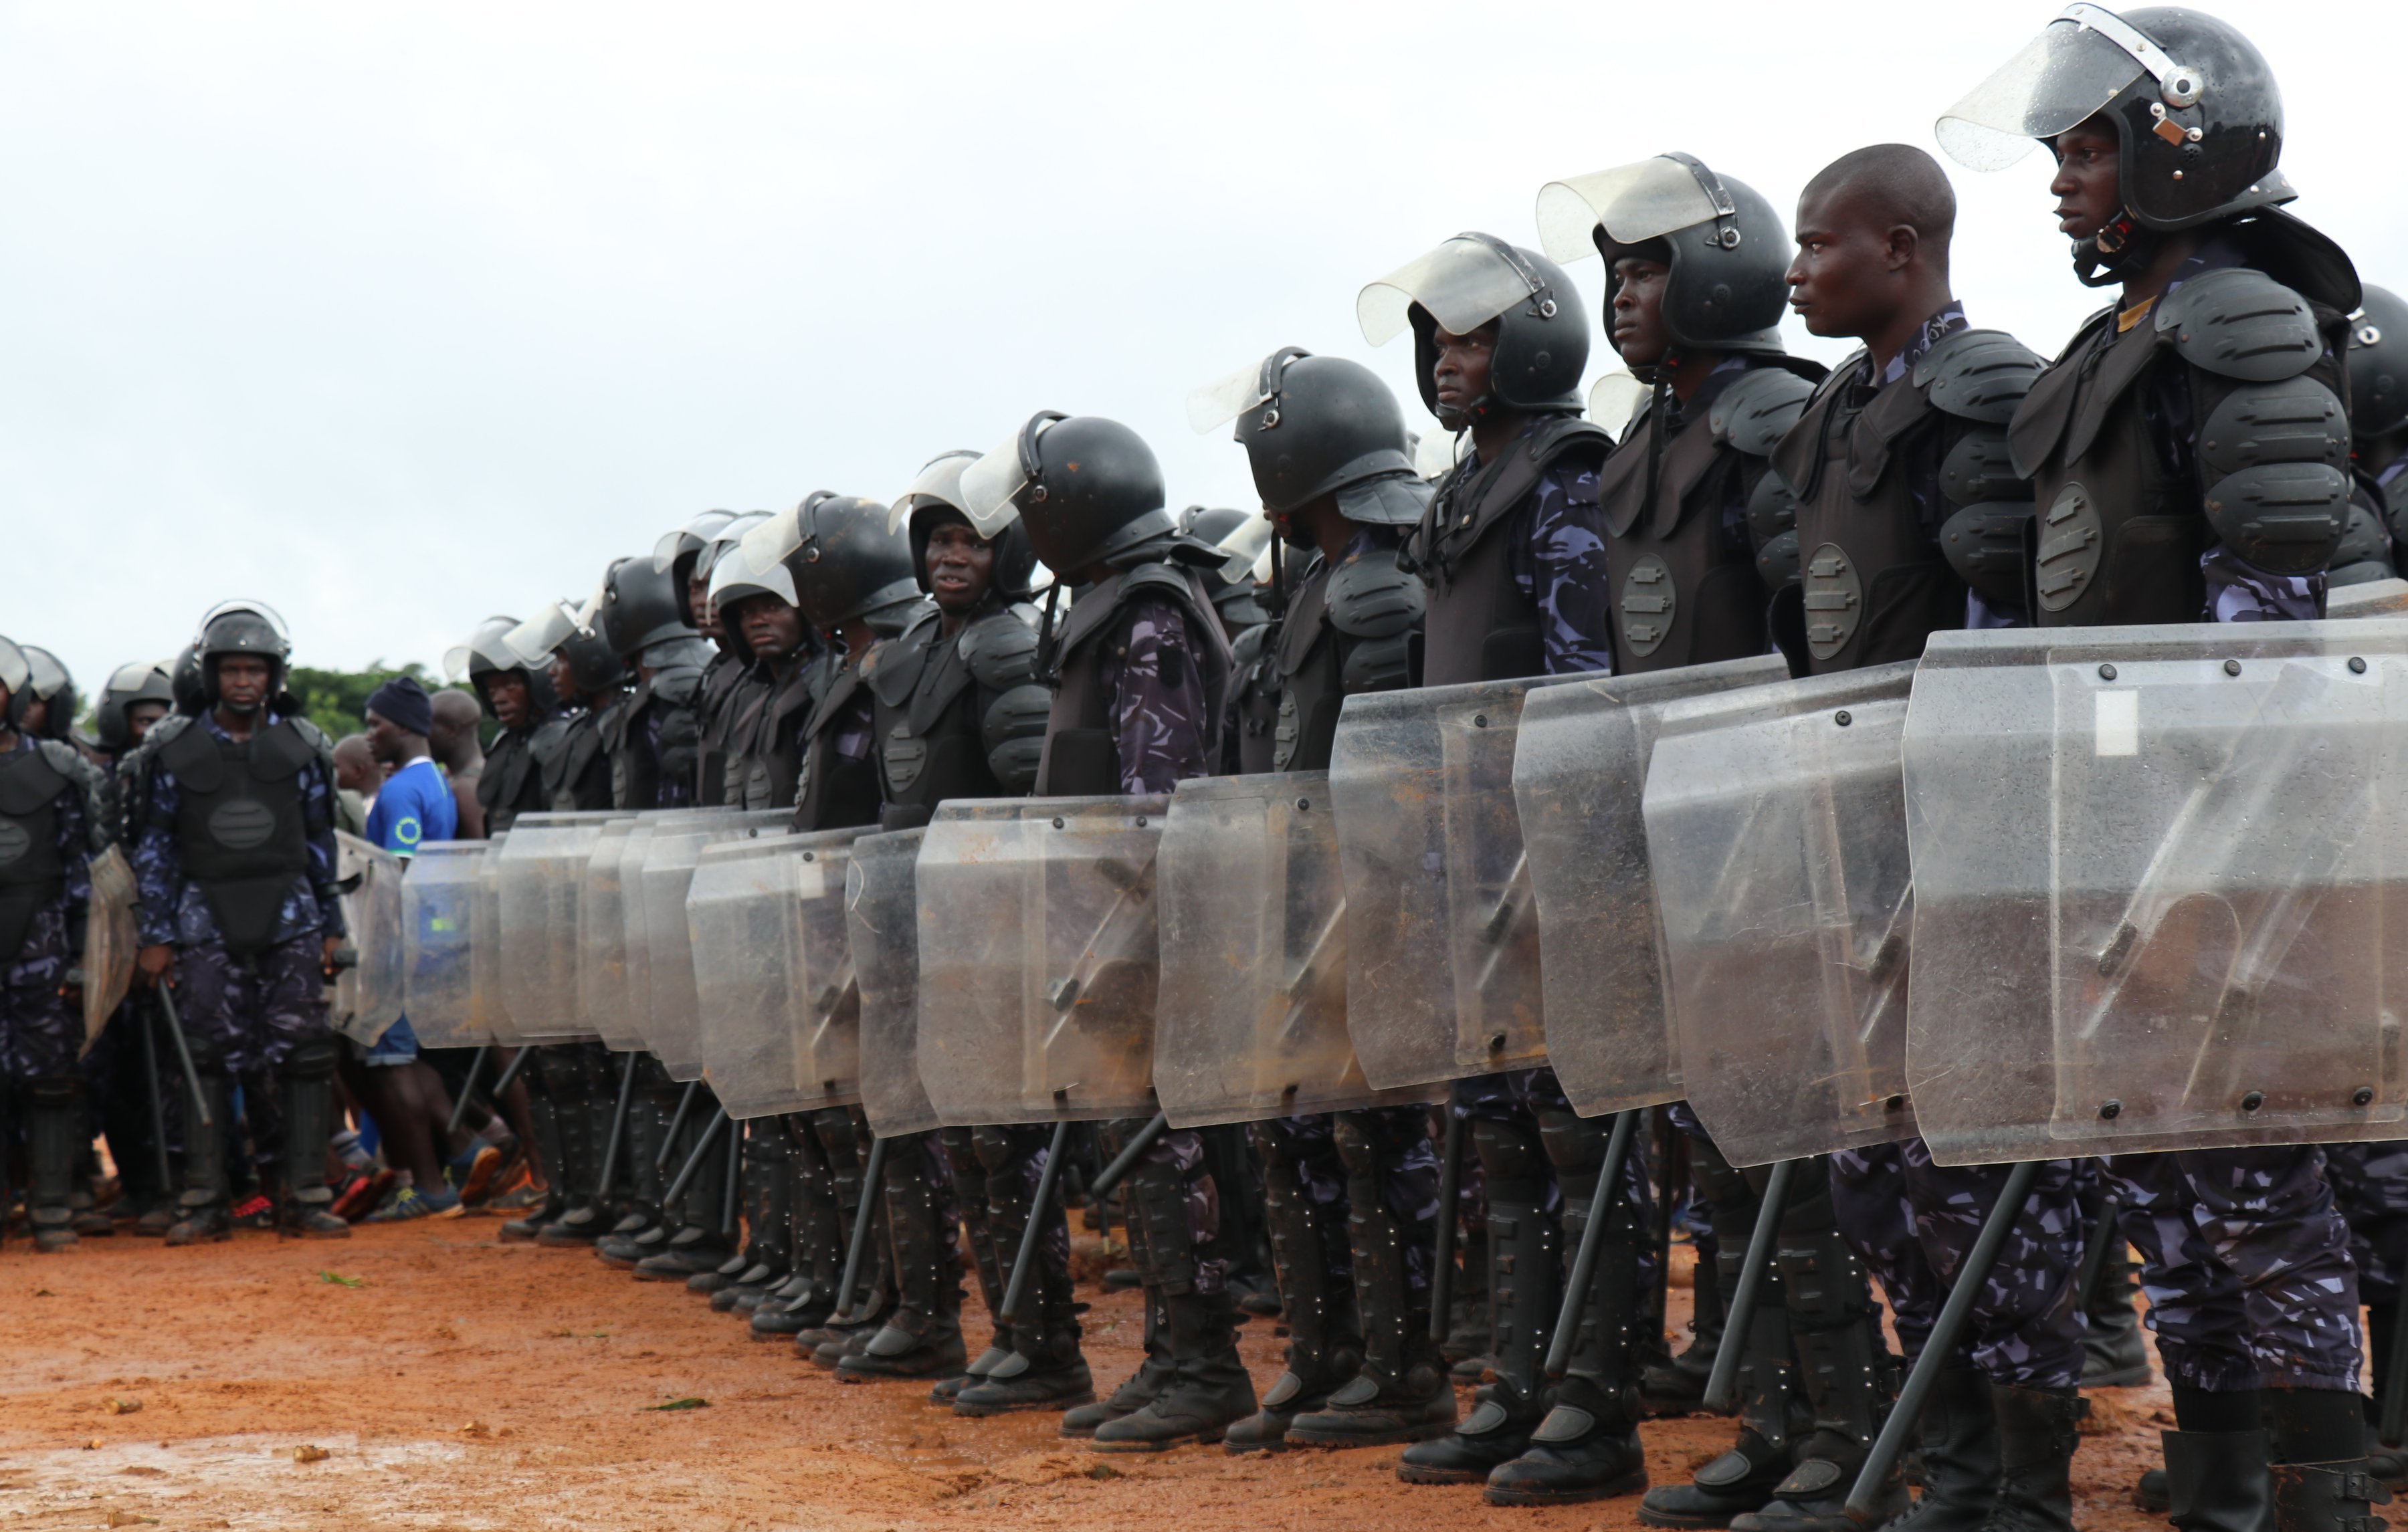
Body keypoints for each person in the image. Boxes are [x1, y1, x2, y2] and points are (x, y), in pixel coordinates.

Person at [1939, 12, 2377, 1531]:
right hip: (2108, 822)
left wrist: (2209, 857)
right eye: (2059, 148)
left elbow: (2269, 623)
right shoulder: (2113, 339)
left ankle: (2322, 1480)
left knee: (2260, 1170)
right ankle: (2218, 1460)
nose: (2061, 176)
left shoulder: (2241, 321)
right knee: (2159, 1179)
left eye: (2088, 144)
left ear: (2179, 144)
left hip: (2224, 830)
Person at [1758, 143, 2082, 1532]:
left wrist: (1979, 838)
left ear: (1901, 246)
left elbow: (2013, 636)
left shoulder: (1988, 389)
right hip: (1854, 840)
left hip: (1965, 846)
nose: (1797, 268)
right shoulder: (1829, 412)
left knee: (1986, 1168)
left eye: (1821, 243)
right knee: (1874, 1172)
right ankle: (1946, 1461)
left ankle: (2024, 1478)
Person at [1357, 229, 1653, 1505]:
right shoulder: (1464, 486)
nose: (1449, 364)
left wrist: (1557, 861)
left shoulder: (1562, 475)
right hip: (1468, 861)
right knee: (1501, 1138)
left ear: (1529, 342)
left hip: (1547, 862)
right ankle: (1522, 1384)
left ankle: (1600, 1405)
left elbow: (1583, 687)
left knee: (1577, 1140)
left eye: (1472, 339)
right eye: (1437, 342)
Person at [1186, 347, 1459, 1454]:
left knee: (1374, 1145)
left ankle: (1401, 1374)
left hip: (1366, 921)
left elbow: (1396, 780)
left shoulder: (1381, 590)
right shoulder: (1306, 595)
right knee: (1297, 1140)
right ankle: (1323, 1355)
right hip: (1296, 925)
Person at [959, 410, 1247, 1450]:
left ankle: (1205, 1365)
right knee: (1146, 1143)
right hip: (1110, 923)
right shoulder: (1105, 603)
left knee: (1172, 1152)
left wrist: (1123, 927)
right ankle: (1173, 1357)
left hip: (1150, 924)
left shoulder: (1153, 607)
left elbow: (1153, 796)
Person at [850, 451, 1060, 1395]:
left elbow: (1027, 798)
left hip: (989, 926)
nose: (952, 556)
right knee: (955, 1134)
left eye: (973, 540)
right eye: (940, 538)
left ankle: (1045, 1344)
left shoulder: (1009, 646)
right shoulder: (917, 646)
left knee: (999, 1138)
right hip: (919, 924)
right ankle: (1001, 1334)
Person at [130, 603, 352, 1243]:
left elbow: (320, 841)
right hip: (203, 919)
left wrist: (332, 925)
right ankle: (204, 1199)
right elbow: (157, 849)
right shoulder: (173, 750)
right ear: (211, 673)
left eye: (256, 668)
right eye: (232, 669)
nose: (244, 681)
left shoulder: (304, 746)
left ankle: (304, 1194)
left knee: (304, 1056)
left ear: (274, 674)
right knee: (203, 1057)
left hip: (291, 917)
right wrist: (158, 937)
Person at [0, 633, 111, 1252]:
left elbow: (81, 871)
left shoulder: (56, 769)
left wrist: (81, 957)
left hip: (40, 949)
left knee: (49, 1079)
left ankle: (51, 1208)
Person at [344, 675, 464, 1222]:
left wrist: (372, 944)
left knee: (393, 1065)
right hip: (429, 939)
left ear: (407, 727)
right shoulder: (435, 780)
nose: (370, 736)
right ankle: (471, 1144)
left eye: (377, 724)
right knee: (409, 1060)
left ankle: (430, 1187)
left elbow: (399, 873)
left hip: (399, 945)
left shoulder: (398, 791)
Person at [427, 687, 486, 841]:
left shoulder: (467, 788)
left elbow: (476, 856)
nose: (422, 737)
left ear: (451, 730)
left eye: (427, 727)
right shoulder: (450, 775)